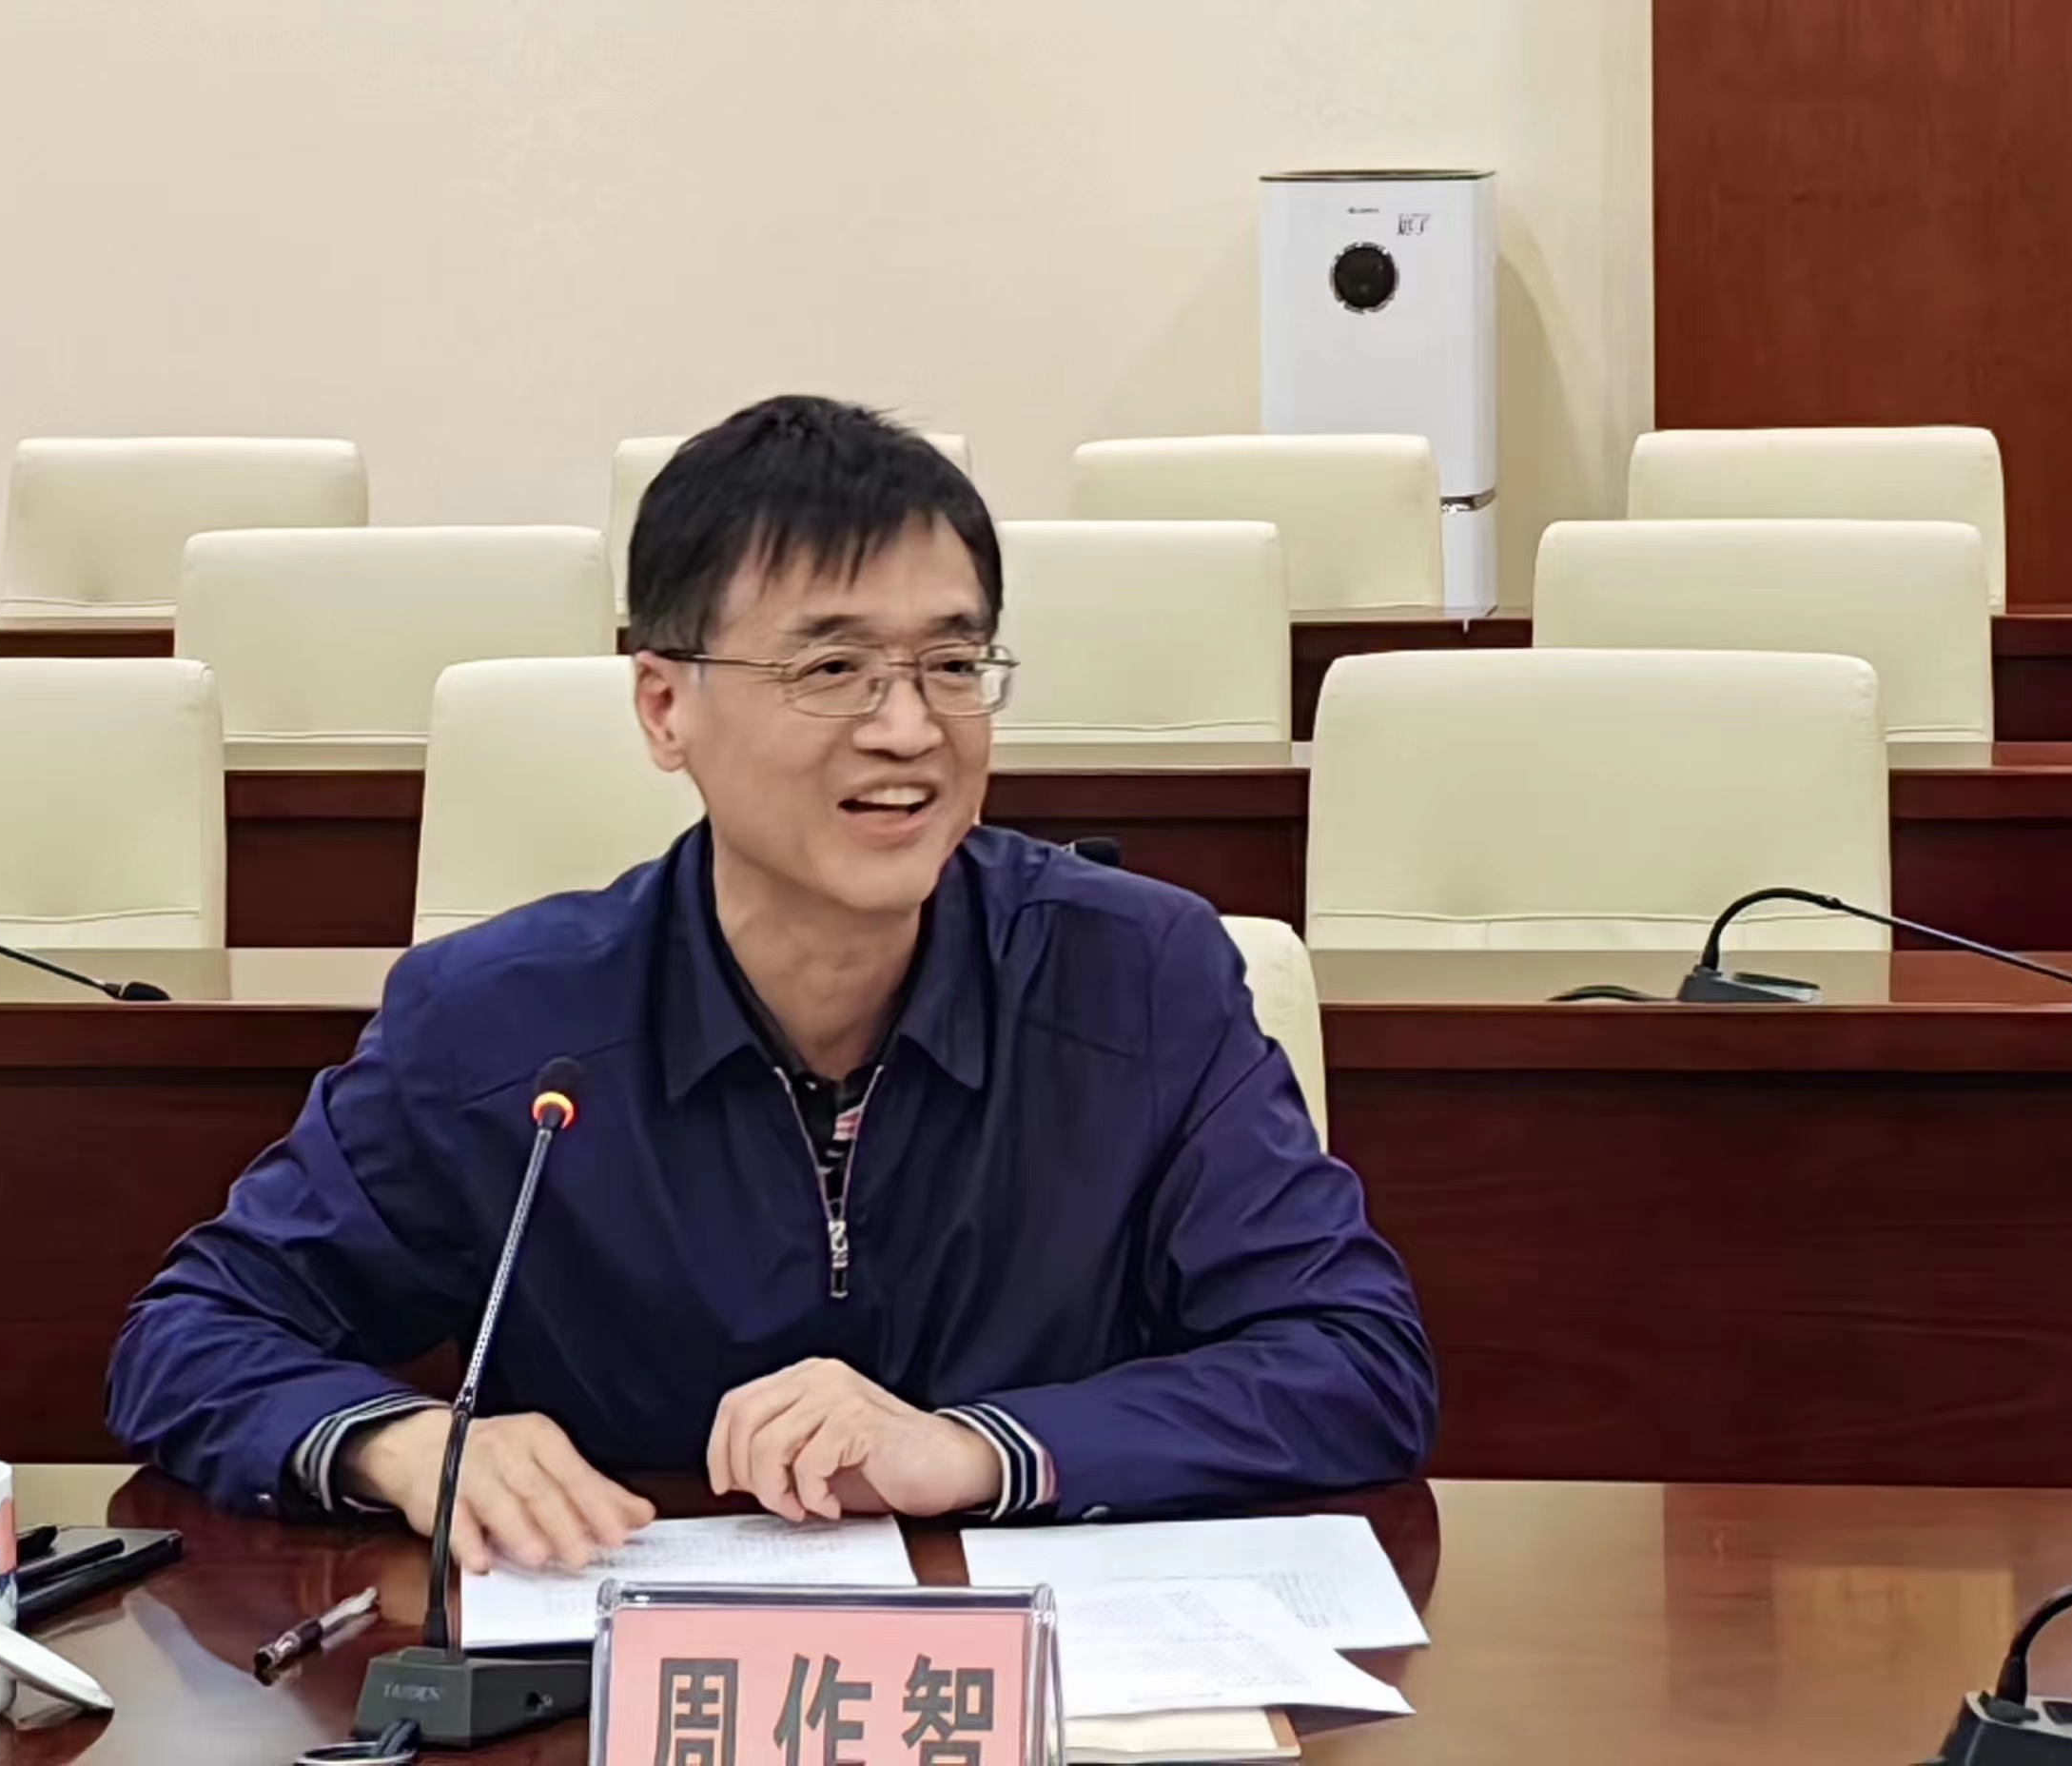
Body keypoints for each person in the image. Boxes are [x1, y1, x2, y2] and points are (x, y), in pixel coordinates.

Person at [108, 394, 1436, 1572]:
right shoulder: (499, 1021)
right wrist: (398, 1443)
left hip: (1043, 1683)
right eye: (832, 668)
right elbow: (192, 1333)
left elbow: (1354, 1359)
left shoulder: (1136, 975)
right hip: (624, 1684)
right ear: (663, 707)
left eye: (952, 665)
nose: (909, 729)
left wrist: (978, 1449)